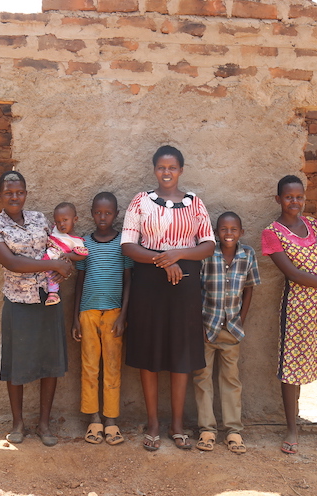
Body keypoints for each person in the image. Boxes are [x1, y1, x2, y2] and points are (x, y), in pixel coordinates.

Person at [121, 145, 215, 451]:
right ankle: (153, 423)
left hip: (185, 285)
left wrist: (178, 254)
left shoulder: (195, 204)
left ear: (181, 170)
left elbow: (208, 245)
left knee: (180, 352)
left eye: (172, 167)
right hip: (148, 283)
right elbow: (129, 246)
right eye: (161, 167)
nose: (166, 172)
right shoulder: (140, 202)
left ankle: (176, 424)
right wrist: (165, 260)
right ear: (154, 170)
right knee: (149, 352)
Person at [260, 175, 317, 458]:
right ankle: (292, 430)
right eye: (289, 197)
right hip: (297, 306)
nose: (295, 202)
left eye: (299, 197)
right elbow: (293, 274)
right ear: (278, 199)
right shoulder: (272, 232)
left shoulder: (315, 225)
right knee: (292, 368)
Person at [0, 170, 74, 447]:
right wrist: (53, 265)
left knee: (50, 361)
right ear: (0, 195)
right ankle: (18, 423)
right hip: (18, 301)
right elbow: (12, 262)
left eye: (19, 191)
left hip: (49, 299)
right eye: (9, 192)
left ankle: (44, 424)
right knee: (17, 363)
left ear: (25, 193)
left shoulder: (38, 219)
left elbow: (54, 248)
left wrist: (64, 265)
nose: (15, 196)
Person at [192, 211, 261, 455]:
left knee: (231, 379)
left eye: (233, 229)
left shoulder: (248, 255)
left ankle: (233, 430)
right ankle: (207, 429)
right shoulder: (208, 254)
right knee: (202, 378)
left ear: (241, 232)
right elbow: (197, 289)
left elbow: (249, 289)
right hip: (207, 327)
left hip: (232, 329)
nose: (228, 233)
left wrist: (241, 319)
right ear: (215, 232)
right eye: (223, 229)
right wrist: (199, 323)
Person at [71, 192, 133, 446]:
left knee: (112, 367)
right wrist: (75, 317)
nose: (103, 217)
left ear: (116, 214)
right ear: (92, 214)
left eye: (108, 213)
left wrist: (124, 316)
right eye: (98, 212)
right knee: (89, 366)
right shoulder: (85, 244)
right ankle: (93, 418)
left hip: (114, 314)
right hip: (87, 312)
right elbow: (79, 280)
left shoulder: (123, 244)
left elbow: (129, 281)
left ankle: (111, 419)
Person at [43, 202, 88, 305]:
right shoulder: (56, 230)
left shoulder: (76, 241)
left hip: (55, 262)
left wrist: (68, 256)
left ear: (75, 219)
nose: (61, 224)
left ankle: (53, 294)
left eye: (65, 220)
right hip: (45, 257)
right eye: (58, 222)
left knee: (52, 277)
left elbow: (82, 255)